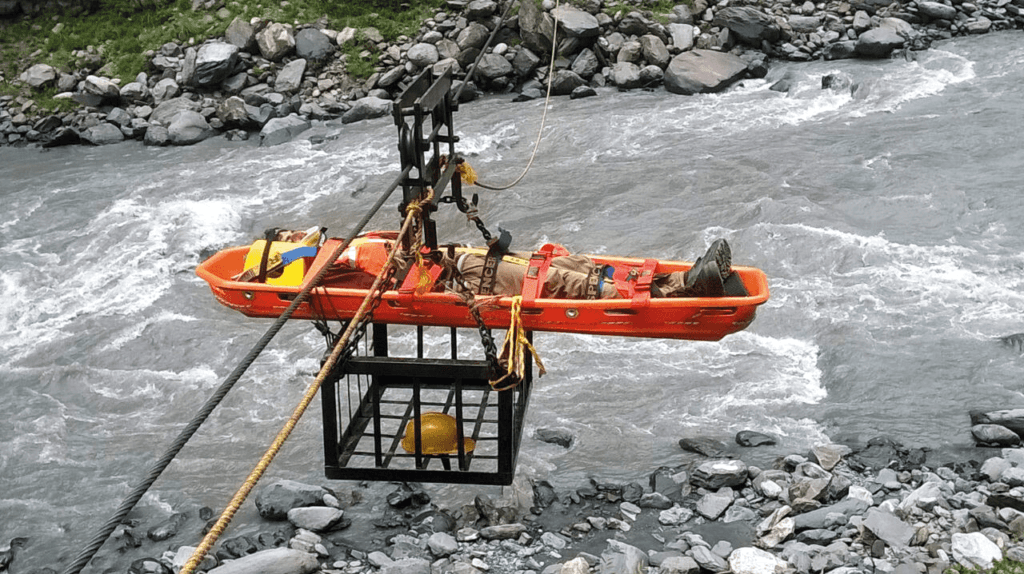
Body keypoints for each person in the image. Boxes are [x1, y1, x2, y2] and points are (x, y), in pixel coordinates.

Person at [271, 229, 740, 299]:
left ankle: (676, 278)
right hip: (458, 282)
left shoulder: (347, 241)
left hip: (457, 260)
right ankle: (671, 293)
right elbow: (396, 284)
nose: (301, 235)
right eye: (290, 238)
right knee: (548, 279)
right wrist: (306, 251)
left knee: (566, 258)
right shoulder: (319, 266)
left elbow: (403, 239)